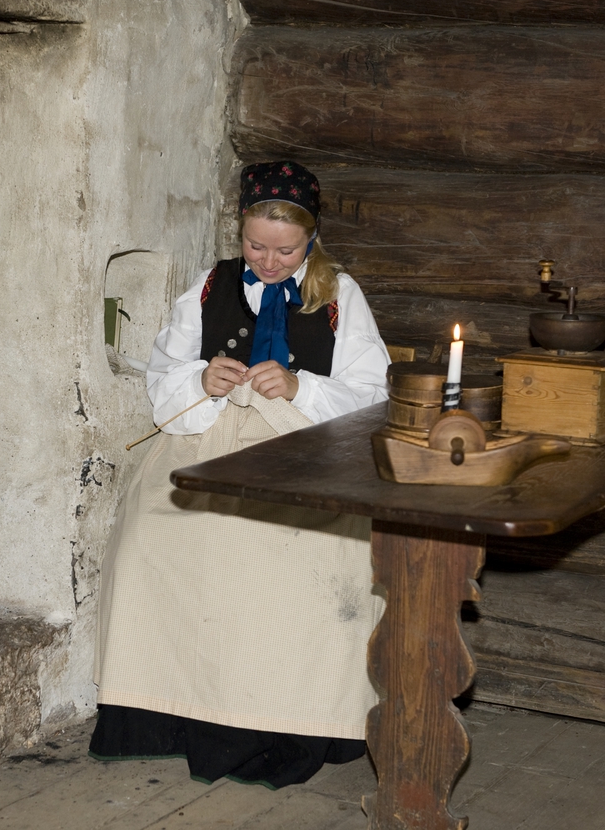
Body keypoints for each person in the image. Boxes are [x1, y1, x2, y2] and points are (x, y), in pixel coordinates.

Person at [90, 161, 391, 789]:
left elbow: (372, 394)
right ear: (239, 233)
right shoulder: (208, 287)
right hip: (206, 443)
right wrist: (201, 379)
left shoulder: (340, 295)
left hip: (302, 452)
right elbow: (161, 376)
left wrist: (301, 386)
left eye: (286, 249)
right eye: (257, 245)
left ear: (312, 239)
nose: (271, 261)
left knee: (294, 560)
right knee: (150, 541)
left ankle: (284, 725)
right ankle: (165, 717)